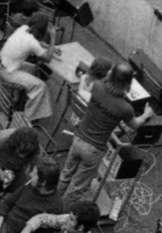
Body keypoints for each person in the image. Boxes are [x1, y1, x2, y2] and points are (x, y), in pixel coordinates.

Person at [59, 61, 151, 203]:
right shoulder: (125, 108)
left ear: (111, 75)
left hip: (78, 139)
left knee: (65, 176)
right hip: (93, 149)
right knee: (77, 187)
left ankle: (52, 202)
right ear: (128, 84)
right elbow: (135, 125)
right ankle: (60, 212)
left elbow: (104, 80)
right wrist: (146, 114)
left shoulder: (97, 87)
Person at [0, 12, 57, 123]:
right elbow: (48, 58)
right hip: (7, 72)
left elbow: (38, 43)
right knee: (41, 86)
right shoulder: (32, 43)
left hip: (3, 64)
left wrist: (51, 47)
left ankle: (21, 102)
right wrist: (53, 38)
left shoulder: (23, 28)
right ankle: (28, 117)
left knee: (34, 69)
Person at [0, 125, 43, 213]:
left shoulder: (36, 149)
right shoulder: (2, 138)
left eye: (26, 153)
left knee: (27, 198)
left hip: (18, 172)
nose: (22, 156)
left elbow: (34, 166)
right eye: (20, 151)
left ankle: (7, 220)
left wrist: (29, 174)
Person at [0, 161, 66, 233]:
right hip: (4, 224)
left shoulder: (56, 206)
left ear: (43, 182)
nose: (30, 175)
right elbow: (6, 203)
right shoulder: (30, 185)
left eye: (34, 174)